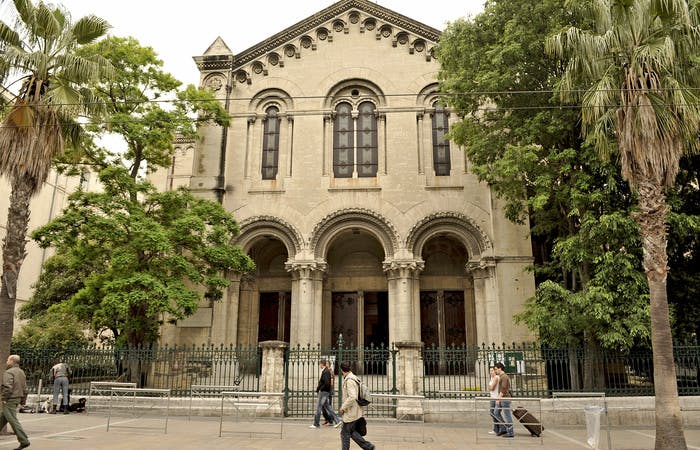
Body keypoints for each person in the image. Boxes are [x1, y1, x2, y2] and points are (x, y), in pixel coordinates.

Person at [338, 362, 374, 450]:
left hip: (351, 412)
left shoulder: (349, 380)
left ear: (342, 370)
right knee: (351, 432)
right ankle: (368, 446)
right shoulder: (354, 377)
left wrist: (343, 407)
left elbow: (352, 397)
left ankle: (368, 446)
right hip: (355, 410)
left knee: (344, 434)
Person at [1, 354, 31, 449]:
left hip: (10, 398)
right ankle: (24, 440)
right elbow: (25, 388)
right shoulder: (21, 372)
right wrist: (23, 400)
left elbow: (8, 387)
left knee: (13, 420)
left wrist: (4, 398)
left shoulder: (9, 372)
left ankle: (24, 440)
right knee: (2, 418)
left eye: (8, 360)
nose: (7, 362)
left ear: (11, 361)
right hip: (17, 398)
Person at [310, 359, 341, 428]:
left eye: (320, 364)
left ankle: (316, 423)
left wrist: (321, 389)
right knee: (328, 407)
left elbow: (327, 383)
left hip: (324, 392)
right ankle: (338, 420)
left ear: (321, 364)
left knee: (318, 407)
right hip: (324, 391)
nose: (319, 365)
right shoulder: (325, 371)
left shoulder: (326, 371)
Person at [493, 362, 514, 438]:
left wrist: (499, 398)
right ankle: (503, 428)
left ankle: (511, 432)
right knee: (495, 412)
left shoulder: (504, 376)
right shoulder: (501, 376)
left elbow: (504, 388)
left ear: (500, 368)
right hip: (502, 398)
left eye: (496, 369)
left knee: (507, 415)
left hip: (504, 398)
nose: (495, 371)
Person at [488, 366, 500, 435]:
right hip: (492, 398)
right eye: (490, 371)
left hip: (496, 398)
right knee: (493, 413)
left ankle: (500, 428)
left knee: (494, 413)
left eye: (492, 370)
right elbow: (490, 387)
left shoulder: (496, 378)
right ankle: (496, 429)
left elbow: (492, 388)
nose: (491, 372)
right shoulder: (492, 378)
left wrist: (490, 387)